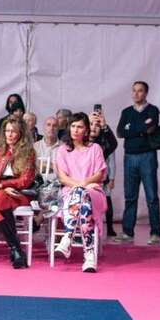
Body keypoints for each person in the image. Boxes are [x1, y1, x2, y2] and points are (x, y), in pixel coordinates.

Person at [55, 113, 107, 272]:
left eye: (79, 127)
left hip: (93, 192)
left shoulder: (95, 148)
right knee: (83, 203)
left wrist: (82, 186)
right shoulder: (63, 150)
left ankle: (67, 237)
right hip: (70, 193)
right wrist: (80, 187)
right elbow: (63, 178)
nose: (75, 130)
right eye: (73, 126)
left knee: (83, 196)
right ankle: (89, 254)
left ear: (86, 130)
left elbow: (99, 174)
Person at [0, 118, 36, 268]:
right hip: (2, 193)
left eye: (13, 131)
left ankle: (15, 249)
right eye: (7, 130)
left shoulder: (28, 152)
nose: (9, 134)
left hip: (21, 193)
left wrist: (3, 185)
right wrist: (2, 187)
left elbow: (25, 181)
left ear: (21, 133)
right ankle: (16, 249)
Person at [116, 81, 160, 244]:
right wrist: (141, 129)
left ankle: (156, 233)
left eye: (140, 91)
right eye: (134, 90)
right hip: (130, 157)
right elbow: (120, 132)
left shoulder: (153, 110)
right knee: (130, 196)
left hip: (147, 156)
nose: (136, 94)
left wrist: (131, 129)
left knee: (152, 197)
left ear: (146, 93)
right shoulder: (126, 111)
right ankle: (128, 232)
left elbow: (151, 129)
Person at [88, 110, 118, 237]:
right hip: (81, 181)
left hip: (98, 182)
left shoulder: (103, 145)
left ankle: (108, 228)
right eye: (91, 124)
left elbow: (114, 144)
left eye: (97, 125)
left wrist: (105, 126)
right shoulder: (78, 142)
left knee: (106, 201)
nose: (94, 127)